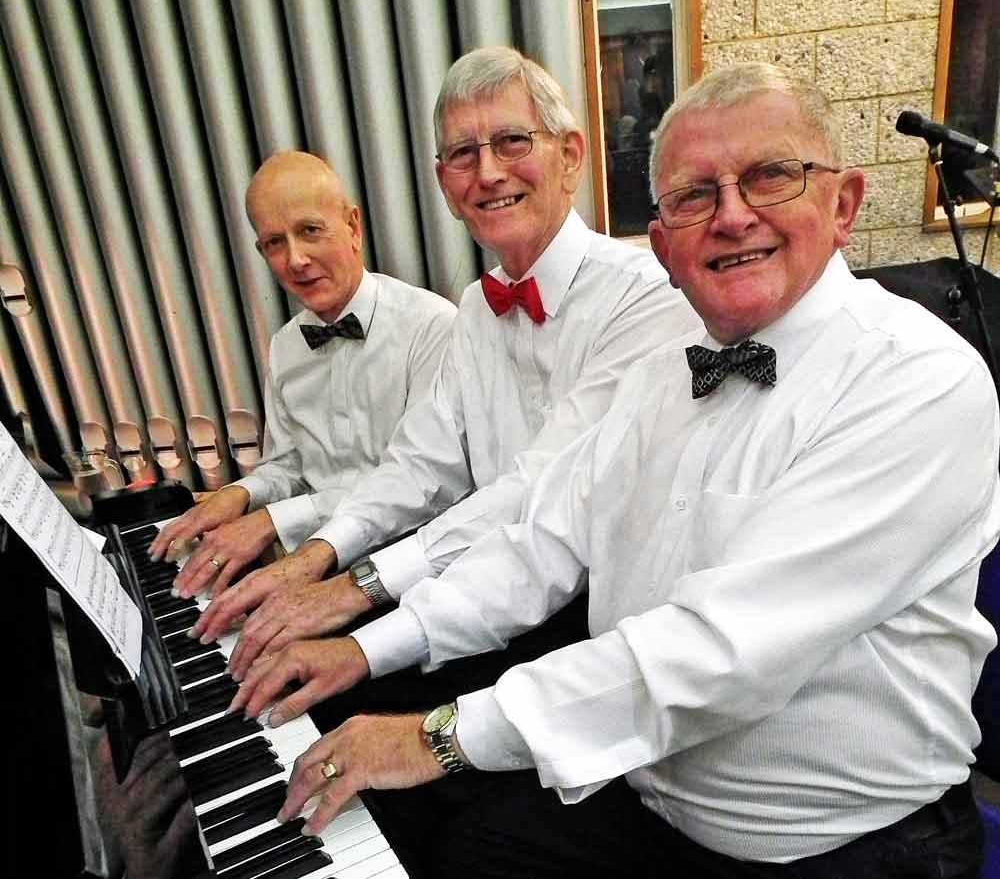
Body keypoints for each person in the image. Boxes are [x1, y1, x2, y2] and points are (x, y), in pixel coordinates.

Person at [232, 63, 1000, 878]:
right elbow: (542, 538)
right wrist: (364, 651)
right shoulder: (661, 375)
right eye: (694, 196)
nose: (732, 215)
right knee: (429, 830)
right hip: (648, 792)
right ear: (665, 242)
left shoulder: (919, 377)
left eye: (770, 177)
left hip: (834, 844)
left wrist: (437, 735)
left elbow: (717, 654)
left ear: (843, 203)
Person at [190, 46, 699, 679]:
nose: (487, 173)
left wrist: (357, 588)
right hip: (476, 589)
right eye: (463, 153)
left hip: (601, 633)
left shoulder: (646, 294)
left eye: (512, 141)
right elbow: (417, 462)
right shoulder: (475, 309)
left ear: (569, 156)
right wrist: (317, 553)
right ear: (445, 186)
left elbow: (540, 492)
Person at [148, 151, 455, 598]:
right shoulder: (286, 345)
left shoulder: (431, 325)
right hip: (307, 565)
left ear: (352, 226)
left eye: (310, 231)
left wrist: (274, 520)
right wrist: (240, 494)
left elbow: (419, 484)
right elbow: (290, 464)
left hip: (409, 575)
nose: (296, 260)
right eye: (275, 243)